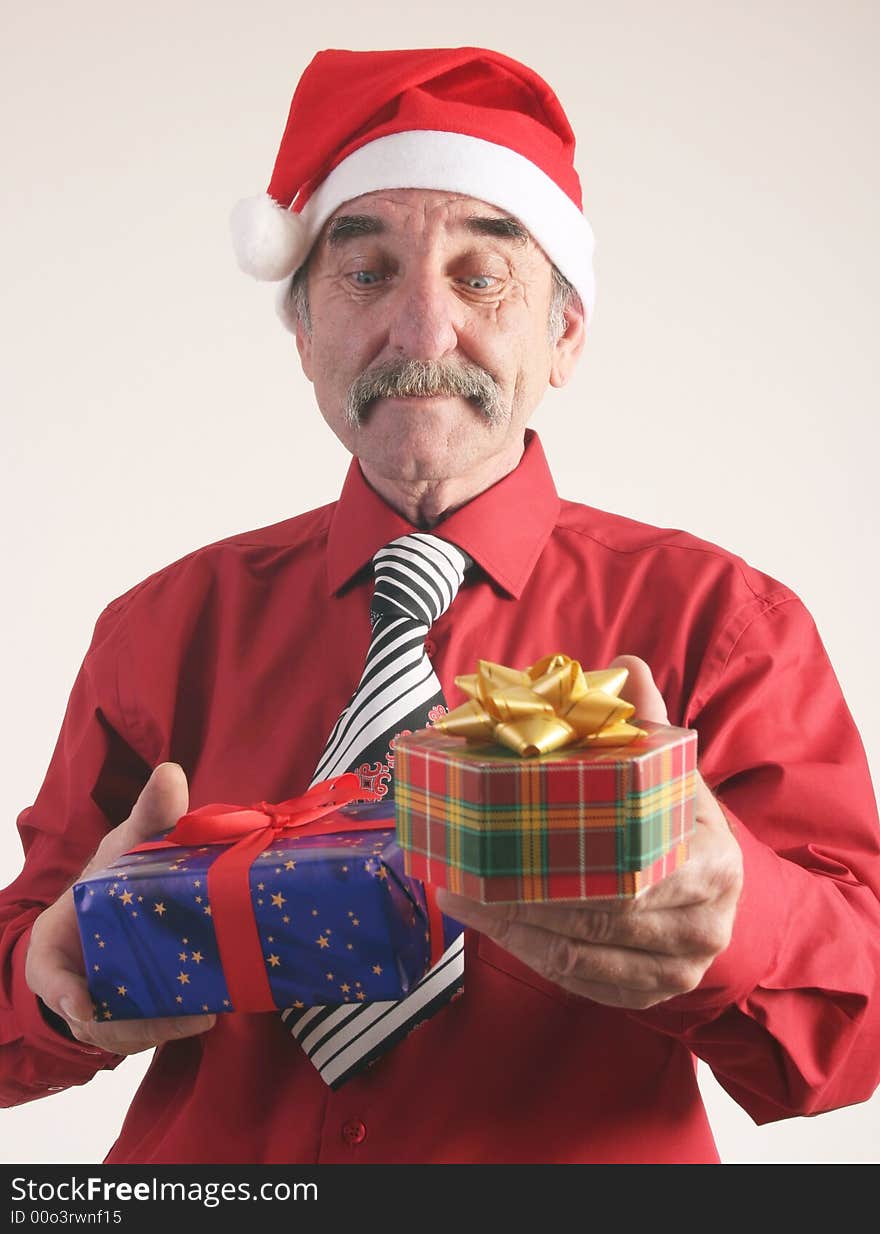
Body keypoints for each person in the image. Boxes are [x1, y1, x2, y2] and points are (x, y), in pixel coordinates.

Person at [2, 46, 879, 1165]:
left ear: (563, 333)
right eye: (364, 274)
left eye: (480, 276)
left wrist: (735, 920)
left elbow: (855, 1036)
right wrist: (51, 972)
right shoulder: (159, 628)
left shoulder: (725, 621)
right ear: (304, 333)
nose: (421, 333)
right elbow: (12, 1006)